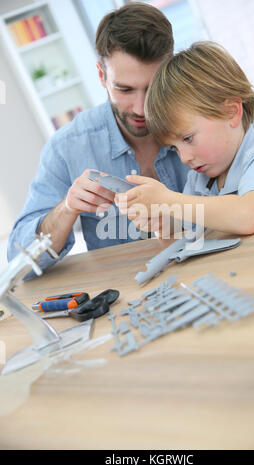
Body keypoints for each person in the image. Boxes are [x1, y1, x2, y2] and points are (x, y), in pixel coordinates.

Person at [7, 2, 189, 275]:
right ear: (102, 75)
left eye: (151, 88)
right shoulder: (67, 147)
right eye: (124, 89)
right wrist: (67, 208)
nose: (140, 108)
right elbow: (20, 264)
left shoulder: (198, 123)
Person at [115, 41, 254, 236]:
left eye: (187, 138)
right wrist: (162, 221)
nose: (183, 157)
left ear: (231, 112)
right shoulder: (199, 180)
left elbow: (248, 215)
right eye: (174, 148)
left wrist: (168, 199)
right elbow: (186, 227)